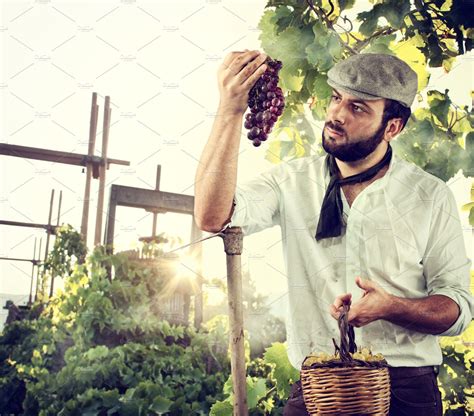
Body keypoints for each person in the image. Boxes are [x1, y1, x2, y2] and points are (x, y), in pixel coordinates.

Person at [194, 51, 473, 416]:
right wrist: (230, 111)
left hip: (405, 393)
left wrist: (392, 307)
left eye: (358, 108)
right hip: (316, 389)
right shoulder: (289, 181)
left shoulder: (430, 196)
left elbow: (457, 309)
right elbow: (212, 216)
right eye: (336, 98)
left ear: (393, 127)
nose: (337, 115)